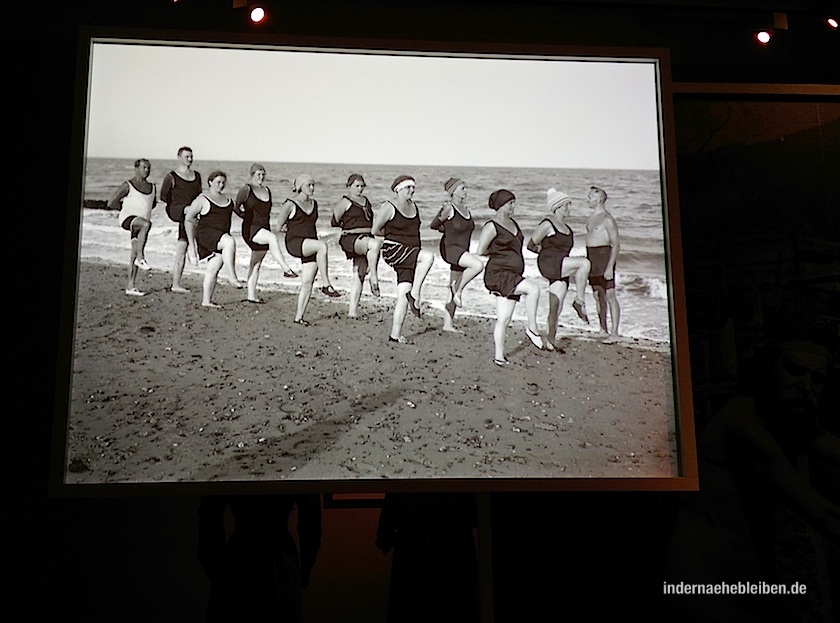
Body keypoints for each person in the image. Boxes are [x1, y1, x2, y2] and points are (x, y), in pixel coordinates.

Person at [475, 189, 544, 365]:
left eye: (514, 202)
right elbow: (481, 250)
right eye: (510, 203)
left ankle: (499, 356)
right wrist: (500, 255)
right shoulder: (492, 225)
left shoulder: (513, 223)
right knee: (533, 288)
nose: (513, 206)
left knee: (504, 318)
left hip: (512, 274)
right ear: (500, 205)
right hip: (498, 274)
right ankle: (532, 328)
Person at [372, 175, 434, 344]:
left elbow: (416, 233)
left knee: (403, 294)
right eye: (408, 187)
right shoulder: (389, 207)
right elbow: (375, 230)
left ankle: (395, 335)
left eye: (413, 188)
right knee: (428, 257)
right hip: (394, 250)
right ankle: (416, 294)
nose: (411, 190)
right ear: (398, 189)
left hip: (411, 253)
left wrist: (416, 252)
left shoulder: (414, 207)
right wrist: (393, 237)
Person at [526, 187, 591, 349]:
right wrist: (543, 252)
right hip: (549, 263)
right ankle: (579, 301)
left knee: (556, 306)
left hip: (561, 266)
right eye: (566, 205)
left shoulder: (567, 229)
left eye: (569, 205)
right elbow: (531, 244)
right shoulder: (548, 224)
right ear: (556, 207)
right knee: (584, 263)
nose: (569, 208)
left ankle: (550, 340)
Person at [276, 174, 341, 325]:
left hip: (310, 244)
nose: (312, 188)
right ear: (300, 187)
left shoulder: (314, 203)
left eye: (313, 185)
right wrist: (290, 229)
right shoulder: (290, 204)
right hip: (295, 243)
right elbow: (279, 226)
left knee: (307, 282)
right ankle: (326, 284)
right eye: (308, 185)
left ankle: (299, 317)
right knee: (322, 246)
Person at [233, 164, 298, 304]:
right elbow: (236, 207)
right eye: (258, 174)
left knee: (255, 264)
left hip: (263, 227)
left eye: (263, 174)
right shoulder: (246, 189)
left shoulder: (267, 190)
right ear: (252, 175)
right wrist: (245, 216)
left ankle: (251, 296)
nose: (261, 177)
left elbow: (266, 212)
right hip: (250, 229)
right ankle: (286, 269)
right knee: (272, 238)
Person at [430, 177, 484, 332]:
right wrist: (446, 229)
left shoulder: (467, 209)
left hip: (462, 250)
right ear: (453, 191)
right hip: (450, 248)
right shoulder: (448, 208)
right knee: (477, 265)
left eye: (466, 188)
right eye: (462, 188)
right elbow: (434, 225)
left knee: (453, 284)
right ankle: (458, 290)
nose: (466, 191)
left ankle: (447, 324)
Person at [184, 171, 243, 308]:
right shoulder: (202, 199)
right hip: (206, 235)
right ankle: (232, 277)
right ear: (210, 182)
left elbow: (241, 213)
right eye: (218, 182)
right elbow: (189, 219)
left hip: (221, 235)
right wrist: (192, 245)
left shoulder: (228, 200)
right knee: (230, 242)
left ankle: (206, 301)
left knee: (214, 266)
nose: (221, 185)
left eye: (223, 182)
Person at [331, 173, 382, 317]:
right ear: (349, 186)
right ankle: (374, 278)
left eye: (362, 186)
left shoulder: (366, 201)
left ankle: (352, 311)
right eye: (356, 186)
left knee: (359, 275)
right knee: (375, 244)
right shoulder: (345, 201)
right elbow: (334, 221)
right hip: (351, 238)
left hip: (365, 237)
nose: (360, 189)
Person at [107, 158, 157, 296]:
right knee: (147, 224)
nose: (146, 170)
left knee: (133, 253)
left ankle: (131, 287)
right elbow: (111, 202)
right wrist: (124, 209)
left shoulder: (152, 187)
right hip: (128, 219)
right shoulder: (128, 185)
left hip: (140, 226)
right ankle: (142, 257)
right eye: (144, 168)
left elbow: (152, 204)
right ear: (136, 169)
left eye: (148, 168)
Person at [160, 146, 202, 293]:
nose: (190, 159)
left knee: (181, 248)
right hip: (176, 209)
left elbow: (199, 196)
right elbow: (163, 197)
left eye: (191, 156)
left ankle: (176, 284)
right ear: (179, 157)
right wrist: (180, 205)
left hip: (189, 214)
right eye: (187, 157)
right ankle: (193, 247)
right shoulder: (171, 176)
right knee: (188, 212)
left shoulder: (196, 175)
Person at [585, 185, 620, 338]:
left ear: (599, 199)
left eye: (590, 197)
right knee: (597, 294)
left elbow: (616, 244)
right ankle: (602, 329)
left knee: (610, 295)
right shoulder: (591, 218)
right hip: (592, 258)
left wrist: (610, 267)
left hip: (604, 256)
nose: (588, 200)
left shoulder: (607, 219)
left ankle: (614, 332)